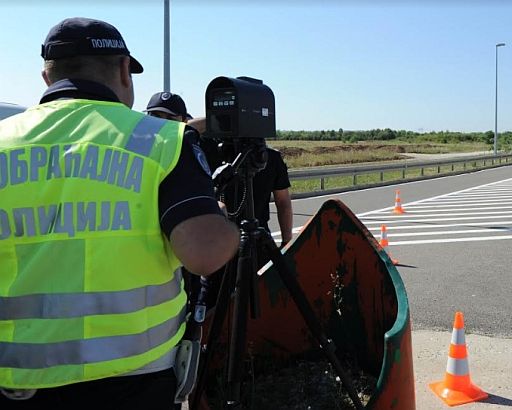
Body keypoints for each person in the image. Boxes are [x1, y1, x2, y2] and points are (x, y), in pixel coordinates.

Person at [0, 17, 240, 410]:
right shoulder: (161, 141)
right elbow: (204, 254)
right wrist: (229, 223)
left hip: (15, 382)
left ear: (47, 77)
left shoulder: (4, 142)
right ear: (125, 71)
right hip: (135, 381)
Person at [188, 117, 294, 251]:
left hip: (249, 242)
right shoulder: (216, 150)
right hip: (221, 241)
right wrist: (218, 116)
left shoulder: (269, 158)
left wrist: (287, 241)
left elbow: (283, 203)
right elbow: (181, 130)